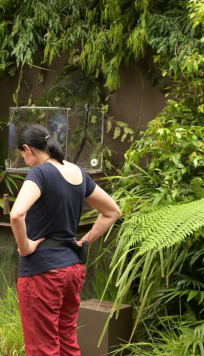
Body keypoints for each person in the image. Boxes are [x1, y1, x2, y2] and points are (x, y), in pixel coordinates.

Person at [9, 124, 121, 356]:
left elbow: (16, 214)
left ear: (28, 148)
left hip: (43, 273)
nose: (23, 159)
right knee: (67, 340)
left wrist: (26, 248)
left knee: (43, 347)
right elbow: (112, 212)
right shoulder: (78, 172)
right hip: (72, 269)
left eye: (21, 154)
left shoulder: (40, 173)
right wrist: (82, 242)